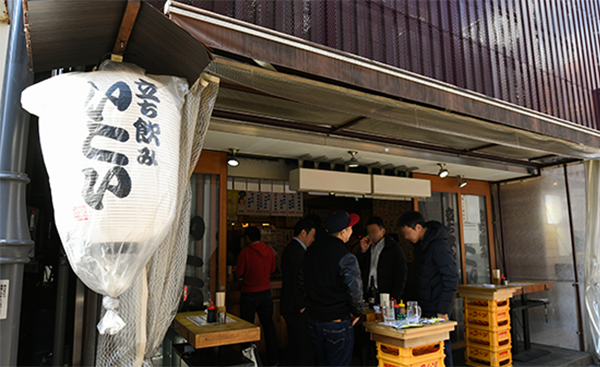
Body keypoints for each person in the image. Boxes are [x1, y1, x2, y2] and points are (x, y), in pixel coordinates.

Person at [300, 210, 364, 367]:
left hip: (314, 319)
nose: (352, 232)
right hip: (337, 322)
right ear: (343, 232)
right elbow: (355, 289)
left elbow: (302, 280)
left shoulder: (311, 251)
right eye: (350, 228)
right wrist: (357, 312)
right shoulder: (346, 256)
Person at [397, 211, 459, 367]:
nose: (405, 237)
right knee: (429, 348)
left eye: (406, 233)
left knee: (441, 345)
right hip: (426, 304)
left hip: (438, 306)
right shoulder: (420, 244)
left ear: (418, 227)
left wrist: (443, 310)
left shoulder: (438, 245)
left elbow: (451, 277)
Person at [234, 226, 279, 367]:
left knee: (247, 328)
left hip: (249, 294)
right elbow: (272, 269)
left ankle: (248, 361)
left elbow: (238, 272)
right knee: (269, 326)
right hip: (266, 293)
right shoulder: (269, 250)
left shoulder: (245, 252)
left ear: (247, 237)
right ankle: (274, 360)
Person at [281, 219, 317, 367]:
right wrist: (302, 304)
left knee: (296, 345)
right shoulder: (297, 251)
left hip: (292, 305)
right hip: (296, 307)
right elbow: (297, 280)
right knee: (301, 345)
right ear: (303, 233)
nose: (313, 239)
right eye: (312, 235)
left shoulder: (292, 248)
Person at [357, 217, 407, 303]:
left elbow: (401, 273)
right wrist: (362, 251)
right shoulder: (367, 248)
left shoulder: (393, 248)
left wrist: (395, 296)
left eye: (374, 231)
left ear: (383, 231)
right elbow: (358, 267)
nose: (371, 234)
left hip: (386, 293)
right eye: (368, 232)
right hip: (368, 292)